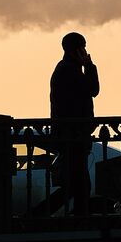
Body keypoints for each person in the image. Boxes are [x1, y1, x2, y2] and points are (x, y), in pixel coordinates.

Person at [49, 32, 99, 218]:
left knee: (76, 184)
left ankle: (76, 216)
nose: (86, 51)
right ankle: (78, 218)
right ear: (75, 50)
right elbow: (93, 89)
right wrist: (90, 66)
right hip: (73, 135)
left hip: (72, 134)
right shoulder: (69, 70)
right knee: (80, 184)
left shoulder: (65, 68)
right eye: (83, 47)